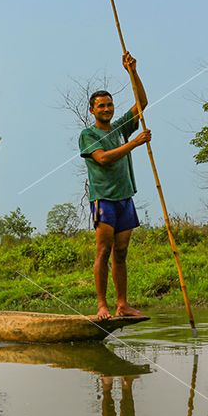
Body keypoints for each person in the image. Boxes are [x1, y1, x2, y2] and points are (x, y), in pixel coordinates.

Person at [78, 51, 151, 320]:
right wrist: (134, 143)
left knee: (121, 252)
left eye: (109, 105)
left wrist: (132, 71)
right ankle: (102, 306)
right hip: (104, 200)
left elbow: (142, 102)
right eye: (101, 106)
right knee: (104, 250)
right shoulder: (89, 134)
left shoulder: (119, 128)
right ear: (92, 110)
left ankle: (122, 304)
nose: (106, 109)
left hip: (125, 198)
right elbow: (103, 159)